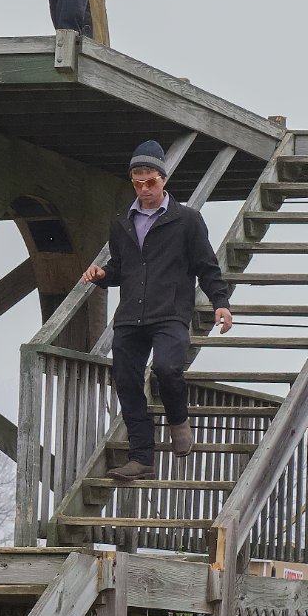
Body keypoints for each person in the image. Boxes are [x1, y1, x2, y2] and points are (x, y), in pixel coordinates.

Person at [81, 141, 232, 478]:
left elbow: (207, 266)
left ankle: (178, 421)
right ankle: (142, 458)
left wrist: (220, 303)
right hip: (131, 316)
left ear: (163, 180)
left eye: (150, 181)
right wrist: (103, 275)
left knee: (166, 369)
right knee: (125, 380)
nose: (144, 188)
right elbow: (121, 269)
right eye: (138, 182)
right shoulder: (122, 222)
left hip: (171, 312)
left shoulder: (188, 221)